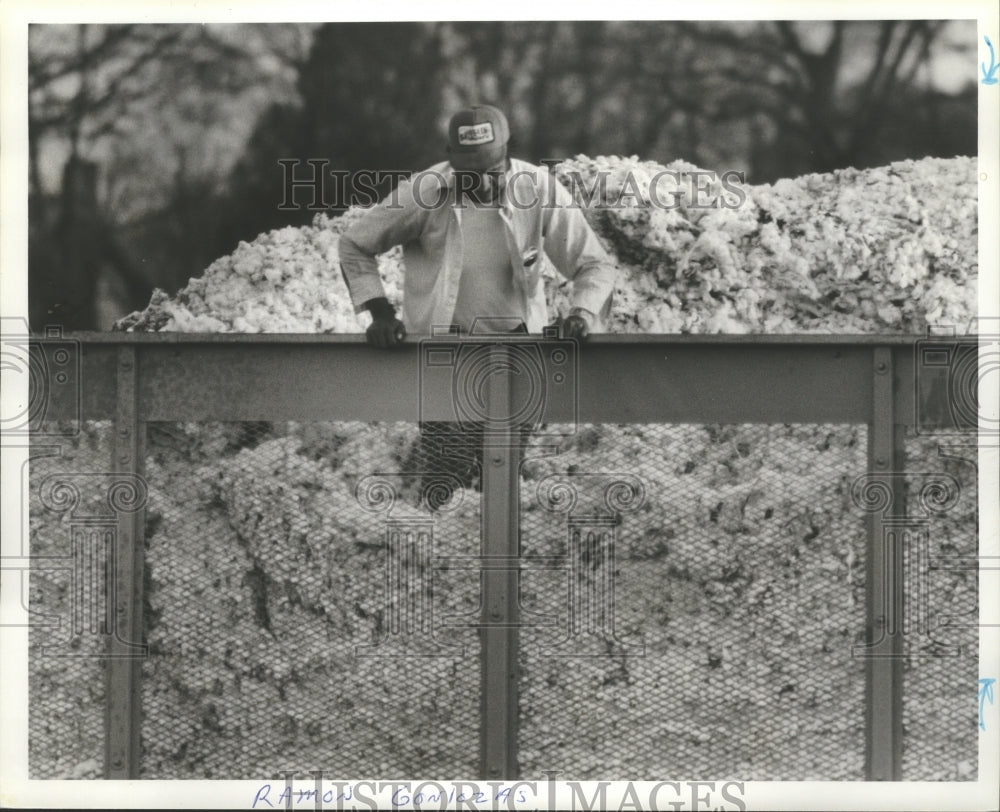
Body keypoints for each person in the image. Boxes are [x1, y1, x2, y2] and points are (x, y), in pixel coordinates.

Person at [338, 104, 617, 503]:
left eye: (492, 173)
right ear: (451, 158)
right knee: (448, 470)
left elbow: (593, 264)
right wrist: (380, 313)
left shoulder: (538, 189)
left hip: (518, 352)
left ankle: (498, 560)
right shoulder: (426, 191)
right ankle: (441, 552)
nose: (483, 186)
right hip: (444, 353)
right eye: (470, 176)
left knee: (501, 477)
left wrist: (581, 314)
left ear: (508, 153)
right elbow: (354, 244)